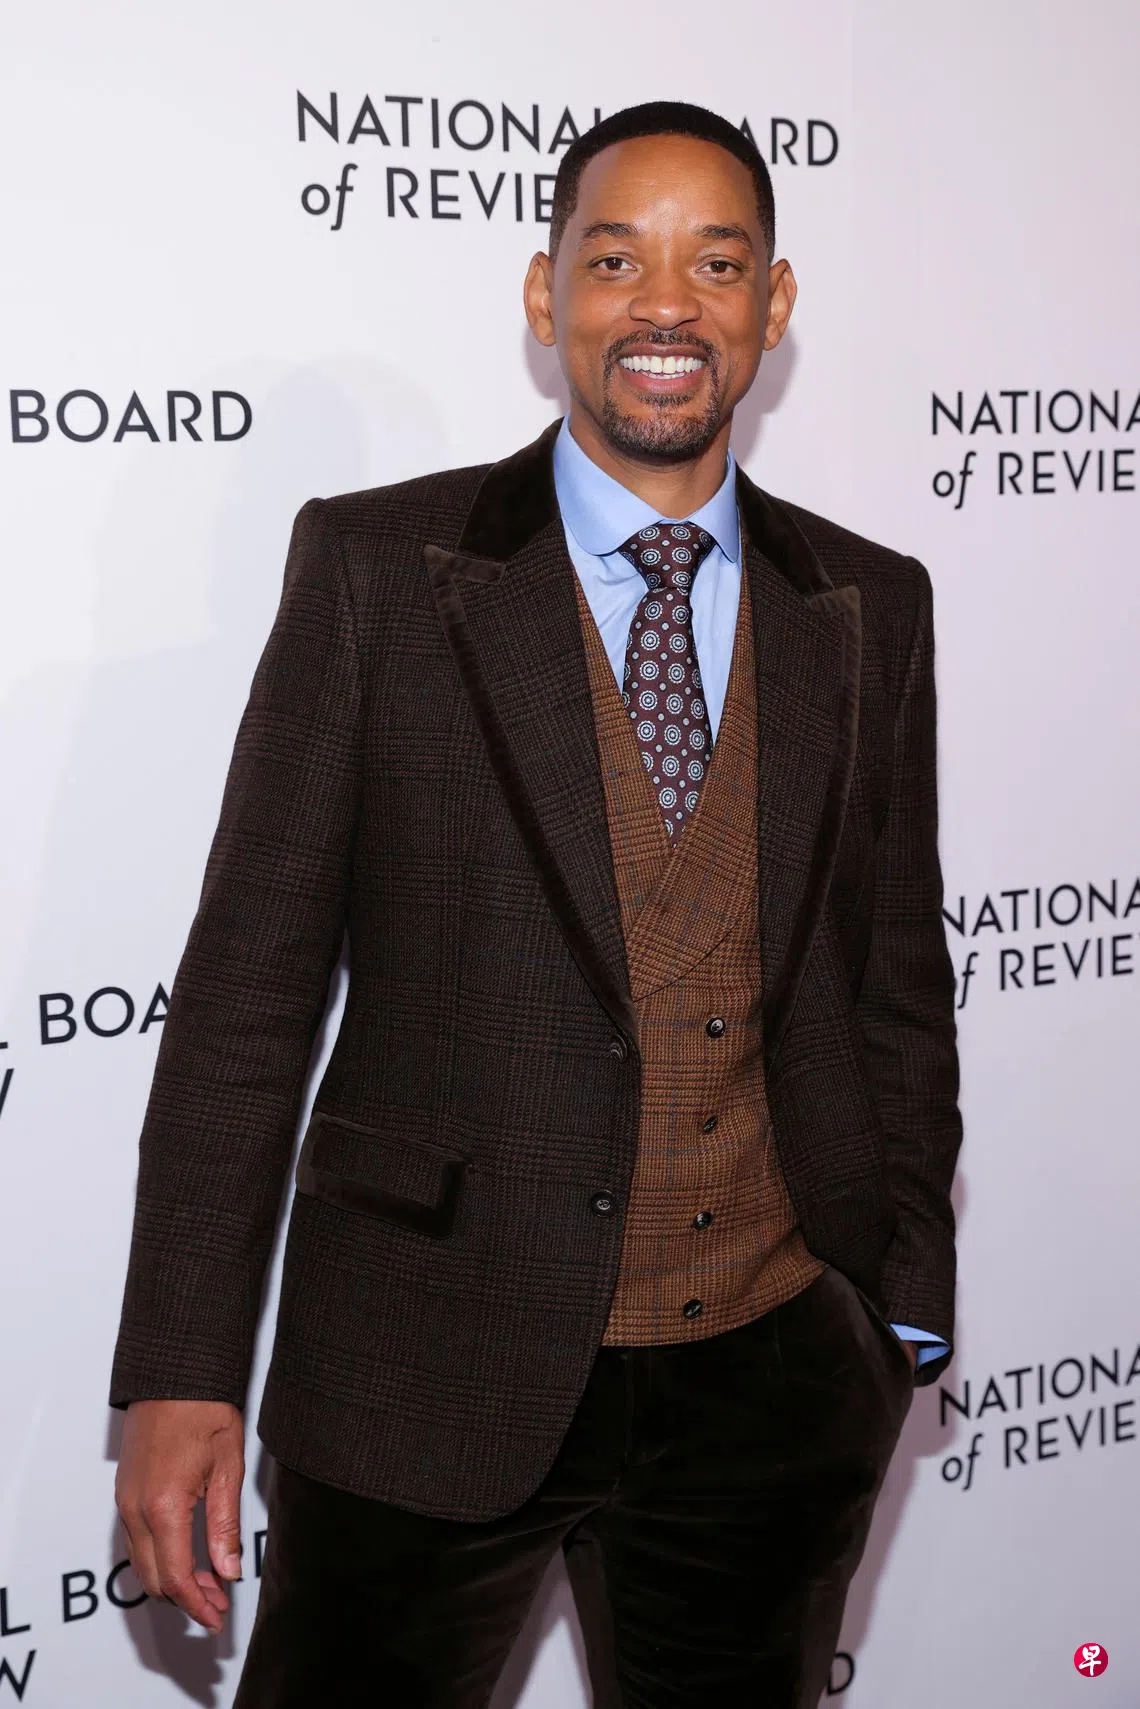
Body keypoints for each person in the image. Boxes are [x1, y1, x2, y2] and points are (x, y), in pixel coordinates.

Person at [111, 100, 962, 1707]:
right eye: (616, 259)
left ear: (773, 305)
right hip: (421, 1368)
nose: (666, 305)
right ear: (544, 291)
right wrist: (178, 1367)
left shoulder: (869, 603)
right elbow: (246, 995)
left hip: (773, 1387)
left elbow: (896, 978)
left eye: (717, 264)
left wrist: (898, 1302)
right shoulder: (381, 570)